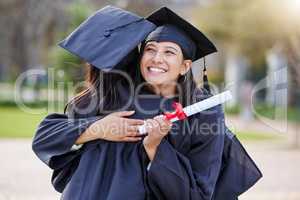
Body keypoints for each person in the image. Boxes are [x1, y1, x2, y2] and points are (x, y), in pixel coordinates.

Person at [32, 6, 262, 200]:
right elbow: (45, 136)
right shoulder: (112, 96)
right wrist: (97, 128)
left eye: (169, 52)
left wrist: (155, 147)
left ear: (185, 66)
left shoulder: (204, 113)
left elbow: (197, 195)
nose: (157, 58)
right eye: (150, 49)